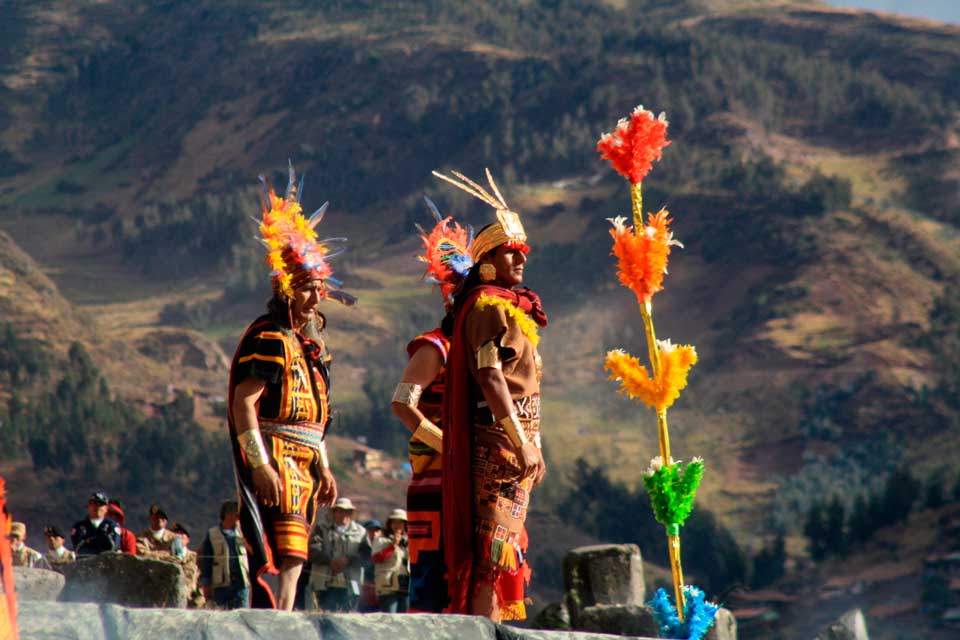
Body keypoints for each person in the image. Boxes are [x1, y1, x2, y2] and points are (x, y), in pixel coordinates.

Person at [228, 163, 350, 610]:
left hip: (306, 458)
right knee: (287, 545)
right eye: (307, 289)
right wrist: (259, 464)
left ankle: (283, 618)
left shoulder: (312, 348)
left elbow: (317, 416)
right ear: (286, 289)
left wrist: (325, 462)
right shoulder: (270, 338)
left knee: (297, 550)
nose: (317, 298)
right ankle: (276, 623)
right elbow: (245, 403)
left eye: (320, 288)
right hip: (277, 454)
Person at [433, 169, 547, 622]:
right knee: (491, 554)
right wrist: (520, 441)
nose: (519, 259)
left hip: (517, 444)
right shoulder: (484, 307)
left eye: (522, 251)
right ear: (486, 261)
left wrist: (533, 443)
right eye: (509, 252)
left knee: (503, 552)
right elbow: (492, 378)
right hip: (498, 446)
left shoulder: (509, 309)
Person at [389, 197, 474, 612]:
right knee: (432, 591)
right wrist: (447, 445)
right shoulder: (435, 347)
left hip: (467, 483)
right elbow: (403, 404)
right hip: (436, 484)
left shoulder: (474, 352)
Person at [308, 497, 367, 612]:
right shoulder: (321, 528)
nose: (344, 515)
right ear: (334, 513)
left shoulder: (361, 532)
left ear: (351, 514)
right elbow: (312, 550)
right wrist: (329, 561)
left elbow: (366, 556)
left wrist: (348, 560)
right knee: (323, 618)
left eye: (347, 512)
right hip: (324, 584)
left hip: (351, 586)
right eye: (340, 511)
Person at [199, 500, 249, 610]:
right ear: (228, 515)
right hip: (221, 585)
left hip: (241, 584)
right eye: (236, 514)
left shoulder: (244, 533)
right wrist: (206, 584)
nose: (238, 518)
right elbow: (206, 561)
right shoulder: (212, 534)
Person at [372, 509, 410, 613]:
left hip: (405, 586)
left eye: (400, 522)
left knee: (405, 619)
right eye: (394, 522)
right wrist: (392, 546)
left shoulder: (409, 543)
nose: (397, 525)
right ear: (389, 524)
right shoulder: (380, 540)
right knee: (390, 617)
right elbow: (376, 559)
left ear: (405, 524)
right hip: (387, 587)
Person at [71, 491, 121, 556]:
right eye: (93, 504)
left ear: (106, 509)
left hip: (107, 561)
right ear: (88, 507)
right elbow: (78, 547)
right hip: (85, 561)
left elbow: (114, 546)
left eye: (100, 504)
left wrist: (90, 541)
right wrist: (101, 540)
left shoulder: (112, 526)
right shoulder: (79, 527)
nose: (97, 507)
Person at [172, 522, 203, 608]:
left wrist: (198, 602)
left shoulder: (195, 558)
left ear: (188, 539)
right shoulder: (165, 557)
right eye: (175, 534)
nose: (178, 537)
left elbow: (201, 581)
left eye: (182, 534)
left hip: (189, 601)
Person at [358, 519, 382, 612]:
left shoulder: (385, 548)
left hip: (382, 591)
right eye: (370, 531)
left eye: (377, 531)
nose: (374, 534)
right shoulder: (361, 549)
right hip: (365, 592)